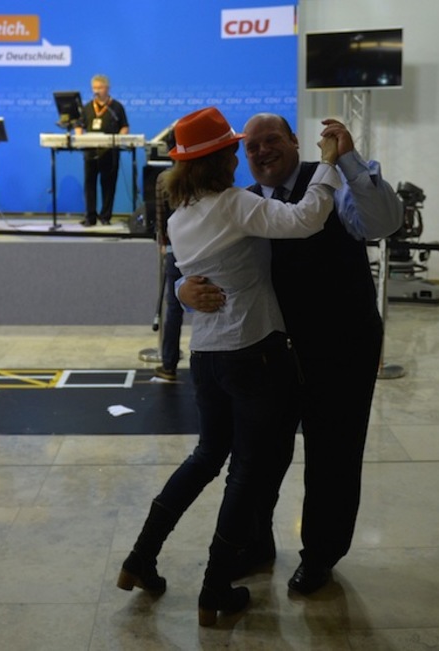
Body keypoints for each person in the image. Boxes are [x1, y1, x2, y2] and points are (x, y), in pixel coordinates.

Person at [116, 106, 343, 626]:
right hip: (254, 352)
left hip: (209, 356)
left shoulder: (180, 216)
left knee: (205, 457)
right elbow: (308, 218)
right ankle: (216, 586)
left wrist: (179, 287)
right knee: (245, 470)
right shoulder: (237, 205)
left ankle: (140, 558)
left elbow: (185, 279)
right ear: (222, 159)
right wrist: (327, 164)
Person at [179, 113, 402, 595]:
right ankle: (255, 543)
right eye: (252, 146)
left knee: (334, 455)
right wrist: (182, 289)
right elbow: (203, 259)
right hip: (271, 355)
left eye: (271, 140)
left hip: (341, 347)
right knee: (260, 455)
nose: (261, 152)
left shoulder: (334, 184)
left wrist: (348, 160)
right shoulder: (245, 204)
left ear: (295, 142)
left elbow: (383, 223)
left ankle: (320, 555)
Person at [75, 74, 129, 226]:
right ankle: (90, 217)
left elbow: (124, 126)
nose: (96, 90)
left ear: (107, 88)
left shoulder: (116, 107)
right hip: (90, 152)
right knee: (89, 185)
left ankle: (105, 217)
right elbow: (79, 124)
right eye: (94, 88)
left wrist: (119, 139)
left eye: (100, 87)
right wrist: (79, 136)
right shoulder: (87, 107)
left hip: (109, 153)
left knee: (108, 185)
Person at [153, 168, 183, 381]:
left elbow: (160, 215)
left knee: (173, 310)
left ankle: (169, 365)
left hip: (175, 248)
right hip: (205, 247)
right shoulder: (206, 174)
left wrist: (163, 242)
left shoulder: (164, 178)